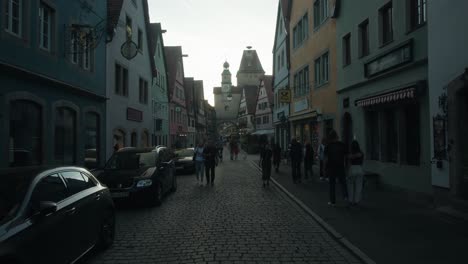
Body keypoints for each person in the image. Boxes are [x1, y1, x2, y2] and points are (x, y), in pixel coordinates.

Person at [324, 130, 348, 206]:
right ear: (337, 136)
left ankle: (332, 201)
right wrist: (347, 166)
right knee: (343, 182)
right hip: (340, 166)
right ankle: (345, 196)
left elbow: (326, 159)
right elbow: (347, 156)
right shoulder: (342, 145)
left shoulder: (328, 146)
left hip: (331, 167)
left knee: (332, 185)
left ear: (330, 138)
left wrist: (325, 169)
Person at [347, 140, 364, 206]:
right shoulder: (361, 153)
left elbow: (349, 162)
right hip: (359, 168)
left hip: (352, 169)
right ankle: (357, 201)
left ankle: (351, 200)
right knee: (358, 186)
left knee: (351, 186)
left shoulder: (350, 153)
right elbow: (362, 162)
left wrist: (347, 170)